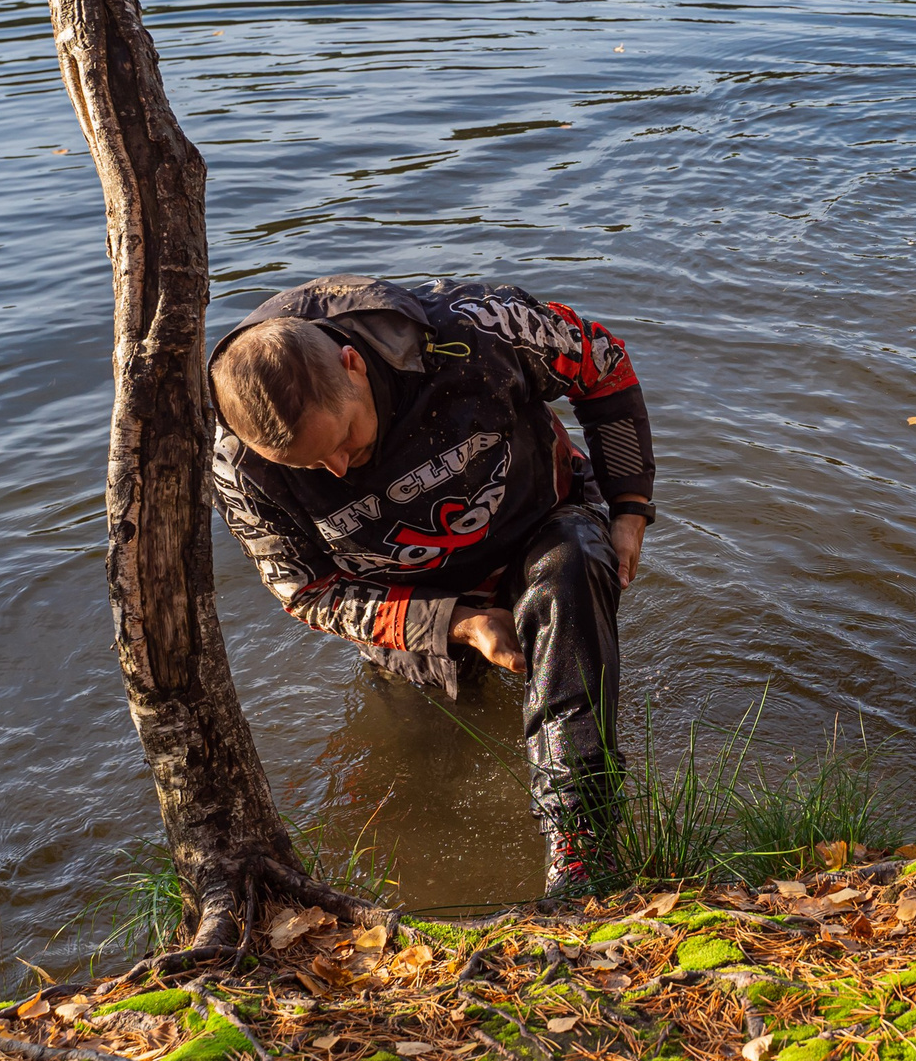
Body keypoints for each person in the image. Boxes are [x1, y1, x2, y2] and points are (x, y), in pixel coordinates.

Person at [206, 274, 656, 898]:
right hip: (410, 595)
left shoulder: (476, 329)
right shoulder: (236, 466)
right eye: (309, 465)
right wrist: (457, 624)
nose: (338, 468)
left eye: (344, 438)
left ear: (353, 365)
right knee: (429, 749)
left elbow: (600, 363)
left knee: (572, 565)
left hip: (541, 524)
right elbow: (307, 592)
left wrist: (630, 506)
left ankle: (582, 851)